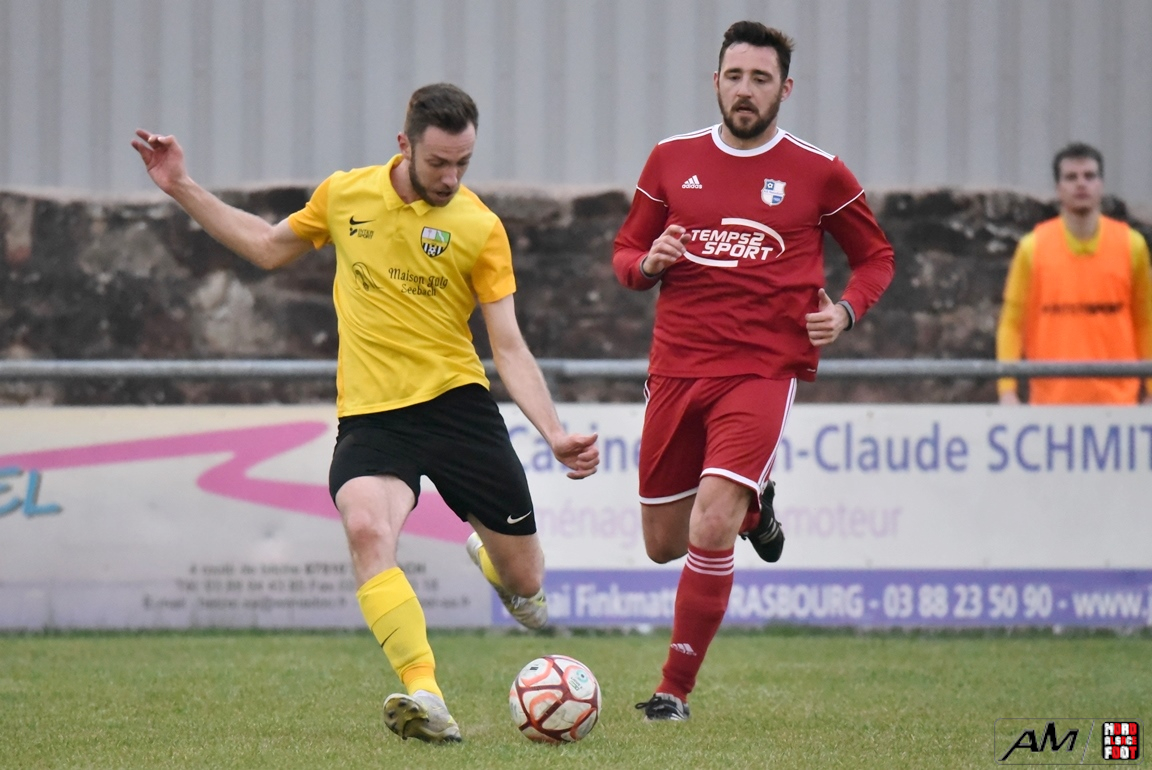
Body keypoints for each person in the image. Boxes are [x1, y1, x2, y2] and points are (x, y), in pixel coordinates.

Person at [132, 83, 599, 744]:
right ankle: (426, 694)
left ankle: (498, 566)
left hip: (458, 409)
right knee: (365, 528)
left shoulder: (480, 227)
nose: (452, 177)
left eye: (463, 163)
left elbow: (509, 345)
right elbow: (266, 246)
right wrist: (180, 184)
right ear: (404, 144)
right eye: (438, 162)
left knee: (527, 580)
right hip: (374, 418)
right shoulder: (345, 195)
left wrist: (552, 432)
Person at [612, 21, 894, 722]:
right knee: (663, 545)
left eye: (760, 79)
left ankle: (672, 692)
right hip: (677, 368)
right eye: (734, 77)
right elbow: (625, 255)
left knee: (710, 523)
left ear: (784, 89)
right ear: (716, 81)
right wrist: (649, 263)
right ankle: (757, 508)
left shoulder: (819, 171)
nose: (745, 90)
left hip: (764, 371)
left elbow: (876, 258)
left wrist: (846, 313)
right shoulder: (671, 159)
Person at [996, 142, 1152, 405]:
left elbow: (1146, 321)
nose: (1081, 184)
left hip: (1119, 406)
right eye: (1071, 177)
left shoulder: (1131, 246)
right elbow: (1011, 324)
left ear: (1101, 184)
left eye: (1089, 176)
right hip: (1051, 406)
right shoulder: (1032, 248)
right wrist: (1007, 391)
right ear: (1058, 188)